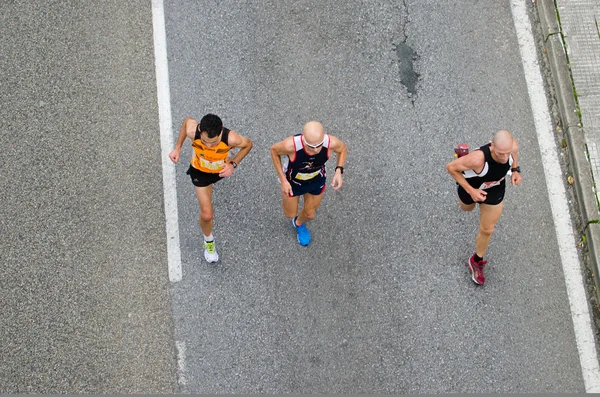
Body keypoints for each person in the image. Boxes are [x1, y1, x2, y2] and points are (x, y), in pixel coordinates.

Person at [169, 113, 253, 263]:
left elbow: (248, 145)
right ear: (200, 130)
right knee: (207, 215)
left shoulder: (231, 138)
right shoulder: (192, 131)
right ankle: (209, 241)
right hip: (200, 172)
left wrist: (233, 164)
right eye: (205, 141)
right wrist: (177, 148)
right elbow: (187, 121)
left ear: (220, 133)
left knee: (208, 199)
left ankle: (211, 188)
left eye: (213, 143)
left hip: (220, 171)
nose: (208, 145)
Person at [446, 130, 522, 285]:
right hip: (472, 187)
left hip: (494, 188)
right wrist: (471, 191)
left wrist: (515, 170)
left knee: (488, 229)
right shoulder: (478, 159)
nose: (504, 158)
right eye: (501, 154)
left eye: (507, 153)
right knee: (466, 208)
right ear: (492, 145)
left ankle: (476, 260)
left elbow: (514, 155)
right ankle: (463, 160)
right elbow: (450, 167)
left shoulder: (512, 146)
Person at [269, 121, 347, 246]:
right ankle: (294, 217)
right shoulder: (290, 146)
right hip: (292, 182)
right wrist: (283, 180)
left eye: (319, 145)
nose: (316, 150)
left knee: (310, 214)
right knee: (289, 213)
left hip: (316, 180)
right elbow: (274, 151)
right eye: (311, 146)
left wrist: (339, 170)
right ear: (303, 139)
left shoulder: (331, 142)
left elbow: (342, 149)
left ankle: (299, 223)